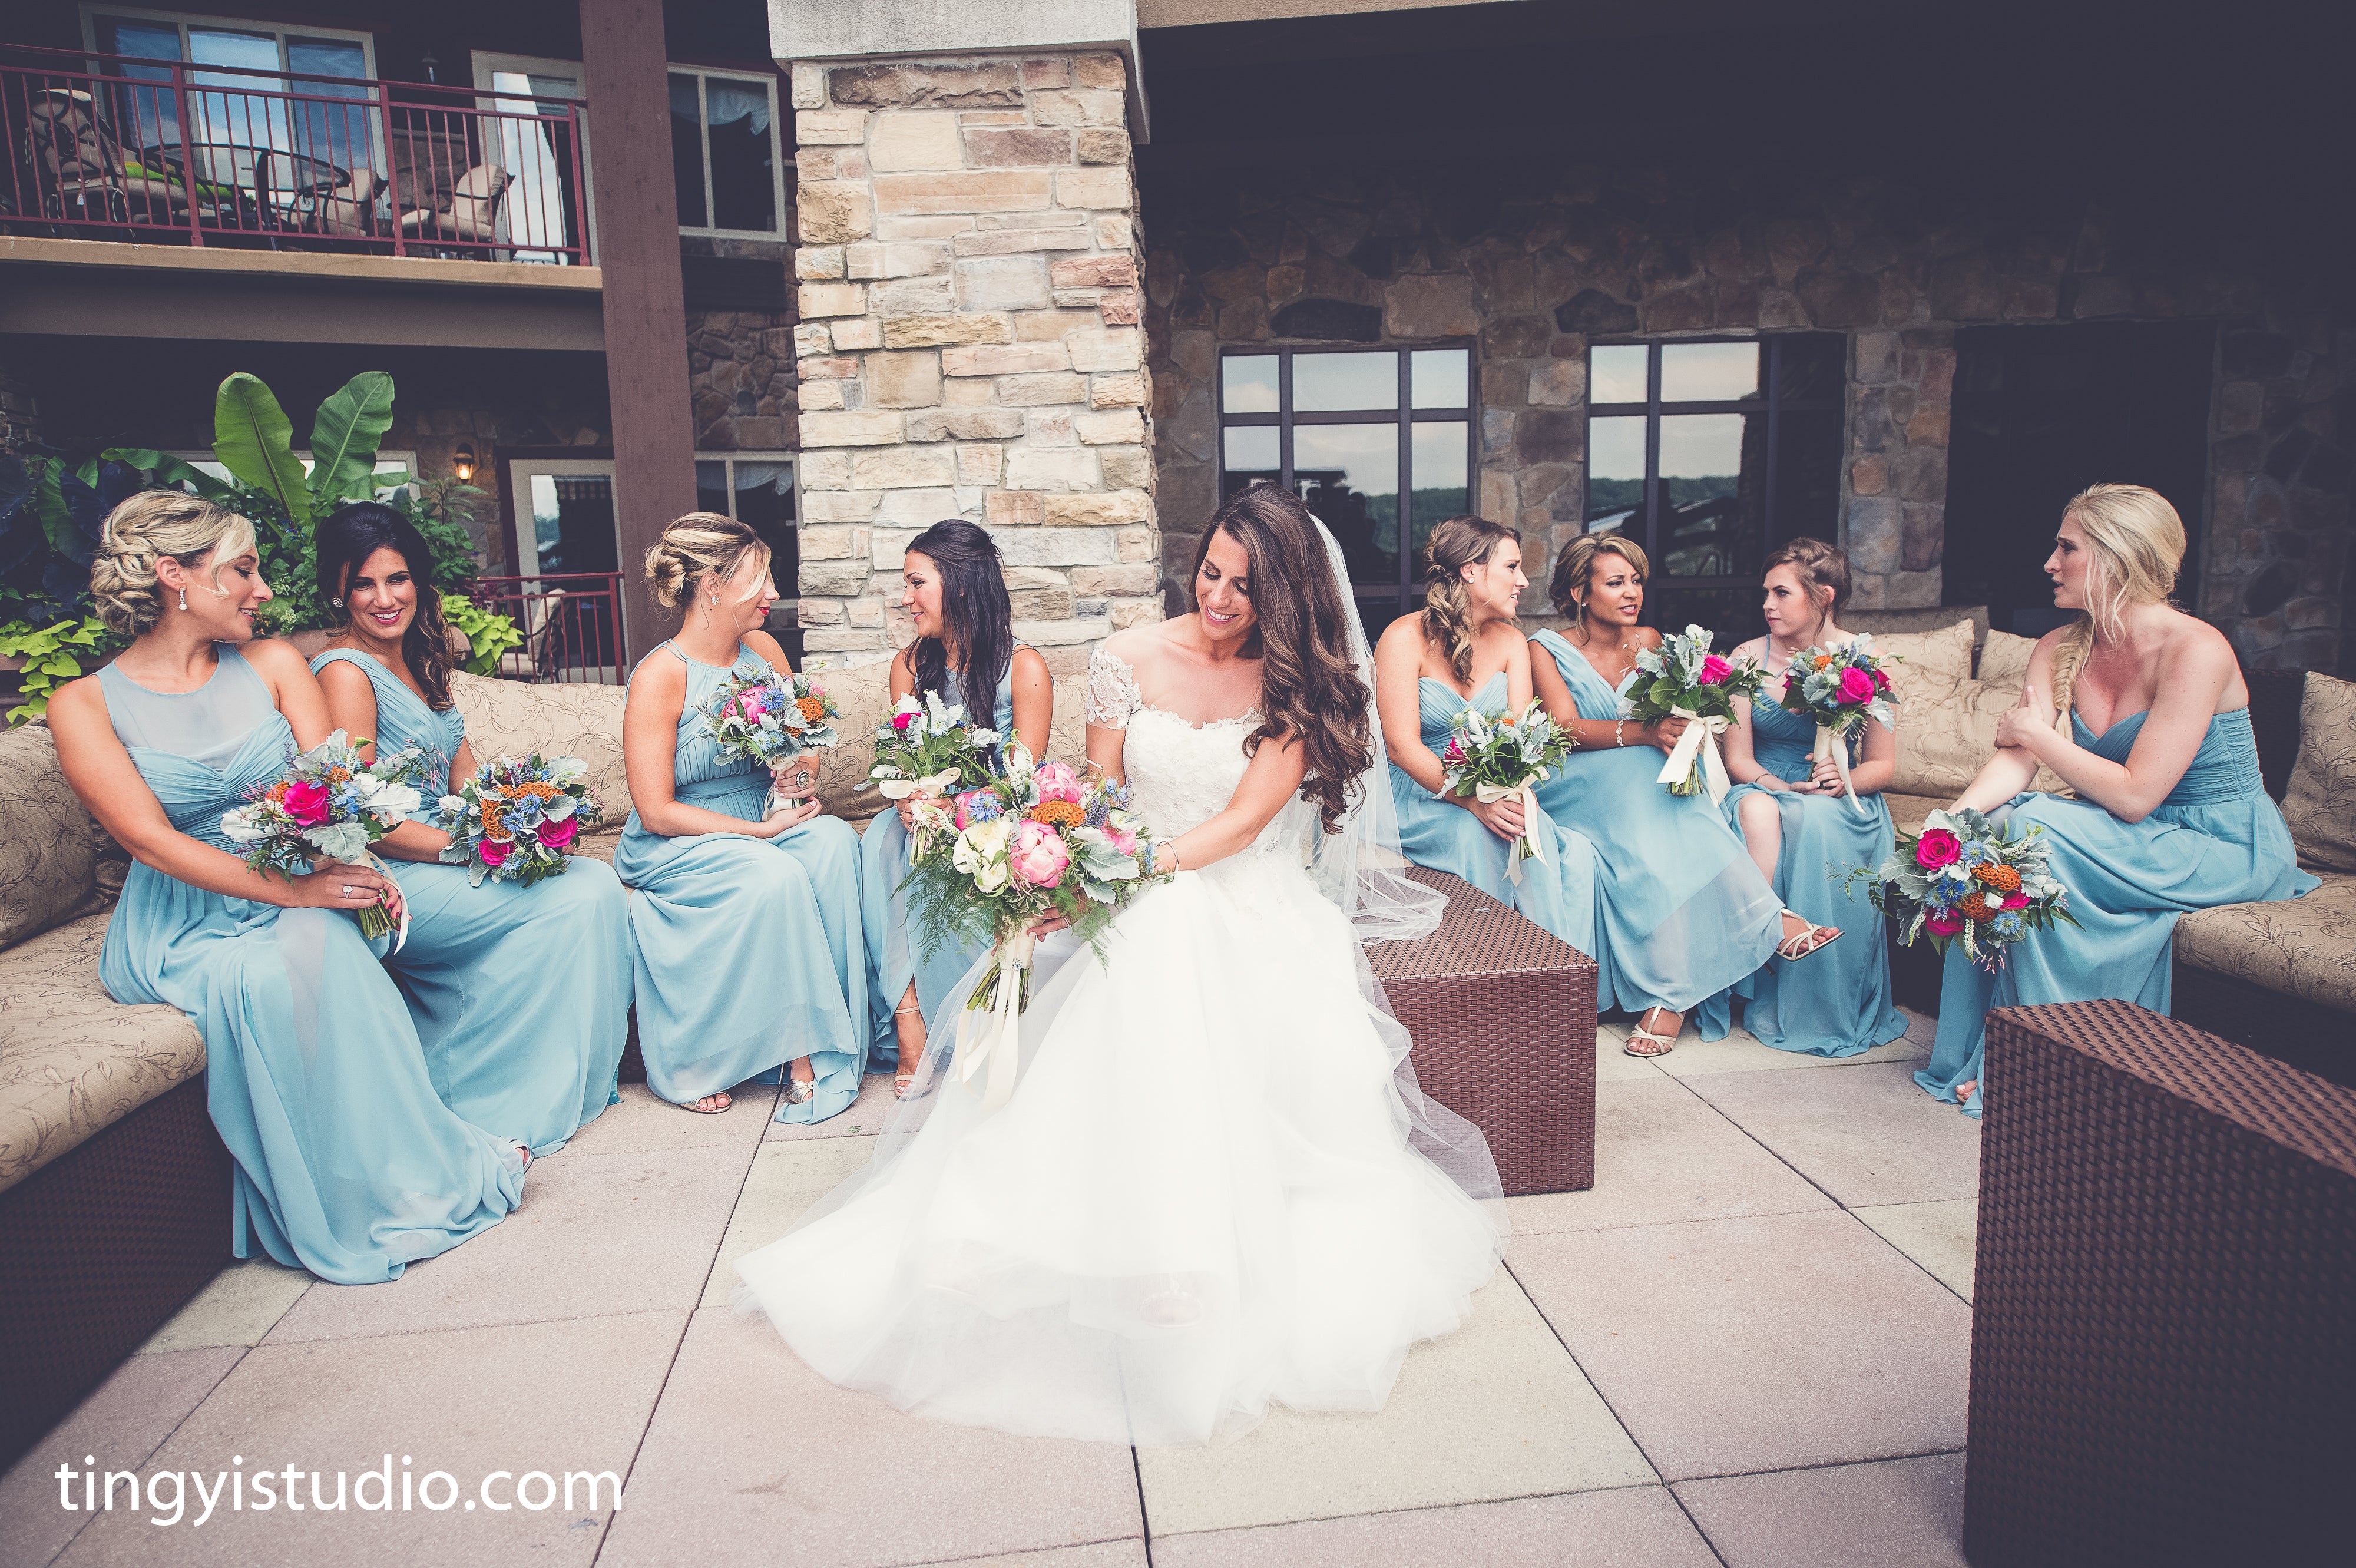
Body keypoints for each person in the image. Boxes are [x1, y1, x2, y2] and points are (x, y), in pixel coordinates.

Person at [733, 482, 1504, 1445]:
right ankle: (1022, 1215)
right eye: (1212, 571)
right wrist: (1065, 860)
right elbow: (1097, 790)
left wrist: (1127, 871)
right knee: (1124, 952)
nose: (1219, 597)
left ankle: (1183, 1253)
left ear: (1288, 592)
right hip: (1132, 875)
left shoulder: (1296, 682)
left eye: (1245, 585)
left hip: (1235, 890)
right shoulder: (1124, 659)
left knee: (1169, 935)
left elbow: (1239, 824)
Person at [48, 492, 524, 1283]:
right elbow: (149, 839)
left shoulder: (273, 664)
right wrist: (295, 895)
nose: (264, 588)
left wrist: (352, 869)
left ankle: (420, 1168)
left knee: (326, 939)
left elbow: (337, 787)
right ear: (175, 576)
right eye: (243, 569)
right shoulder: (84, 705)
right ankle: (352, 1201)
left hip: (300, 877)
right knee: (277, 968)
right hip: (184, 920)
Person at [1918, 484, 2315, 1116]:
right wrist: (1947, 827)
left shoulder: (2196, 649)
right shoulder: (2057, 648)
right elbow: (2017, 759)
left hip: (2219, 843)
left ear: (2117, 557)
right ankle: (2009, 1048)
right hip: (2130, 835)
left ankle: (2034, 1071)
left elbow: (2134, 795)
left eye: (2066, 547)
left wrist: (2038, 735)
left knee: (2032, 829)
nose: (2049, 563)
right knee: (1984, 832)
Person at [309, 503, 630, 1154]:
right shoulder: (345, 673)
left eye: (397, 579)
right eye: (364, 584)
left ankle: (552, 1076)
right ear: (339, 590)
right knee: (575, 899)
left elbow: (464, 772)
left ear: (418, 582)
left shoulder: (418, 656)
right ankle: (471, 1094)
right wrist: (472, 849)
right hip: (399, 869)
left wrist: (526, 815)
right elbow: (360, 816)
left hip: (448, 844)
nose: (383, 598)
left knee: (591, 879)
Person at [1528, 534, 1836, 1057]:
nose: (1632, 593)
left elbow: (1677, 716)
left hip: (1642, 776)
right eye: (1616, 582)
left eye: (1637, 581)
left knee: (1667, 809)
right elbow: (1564, 727)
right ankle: (1768, 919)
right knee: (1650, 771)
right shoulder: (1544, 647)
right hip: (1575, 779)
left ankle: (1667, 997)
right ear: (1581, 591)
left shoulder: (1648, 640)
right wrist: (1647, 733)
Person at [614, 513, 867, 1120]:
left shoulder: (765, 650)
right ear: (712, 585)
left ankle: (842, 1038)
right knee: (772, 874)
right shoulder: (659, 676)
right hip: (681, 836)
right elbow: (655, 810)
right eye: (761, 579)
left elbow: (799, 752)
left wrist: (798, 776)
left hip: (763, 816)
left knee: (833, 844)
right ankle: (797, 1053)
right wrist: (759, 833)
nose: (774, 594)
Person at [861, 520, 1054, 1096]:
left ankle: (955, 1017)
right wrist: (909, 798)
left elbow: (1023, 782)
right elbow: (902, 759)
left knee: (941, 854)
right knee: (883, 842)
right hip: (923, 820)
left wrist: (958, 808)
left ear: (961, 584)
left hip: (995, 822)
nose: (906, 598)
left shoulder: (1024, 669)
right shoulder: (908, 666)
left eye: (917, 583)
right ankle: (909, 1016)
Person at [1718, 538, 1908, 1057]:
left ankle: (1822, 997)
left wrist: (1839, 780)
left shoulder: (1866, 659)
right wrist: (1784, 787)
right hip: (1766, 783)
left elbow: (1882, 766)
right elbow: (1739, 761)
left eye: (1781, 593)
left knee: (1816, 820)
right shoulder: (1745, 658)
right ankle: (1772, 939)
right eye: (1766, 593)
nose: (1767, 605)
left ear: (1823, 595)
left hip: (1841, 791)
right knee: (1769, 810)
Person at [1375, 514, 1592, 952]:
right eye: (1512, 567)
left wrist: (1506, 794)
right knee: (1473, 834)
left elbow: (1520, 737)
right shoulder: (1402, 637)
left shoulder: (1512, 642)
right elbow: (1401, 748)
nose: (1524, 581)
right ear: (1471, 570)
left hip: (1488, 787)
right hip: (1419, 792)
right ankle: (1491, 968)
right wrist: (1470, 800)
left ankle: (1550, 974)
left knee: (1529, 831)